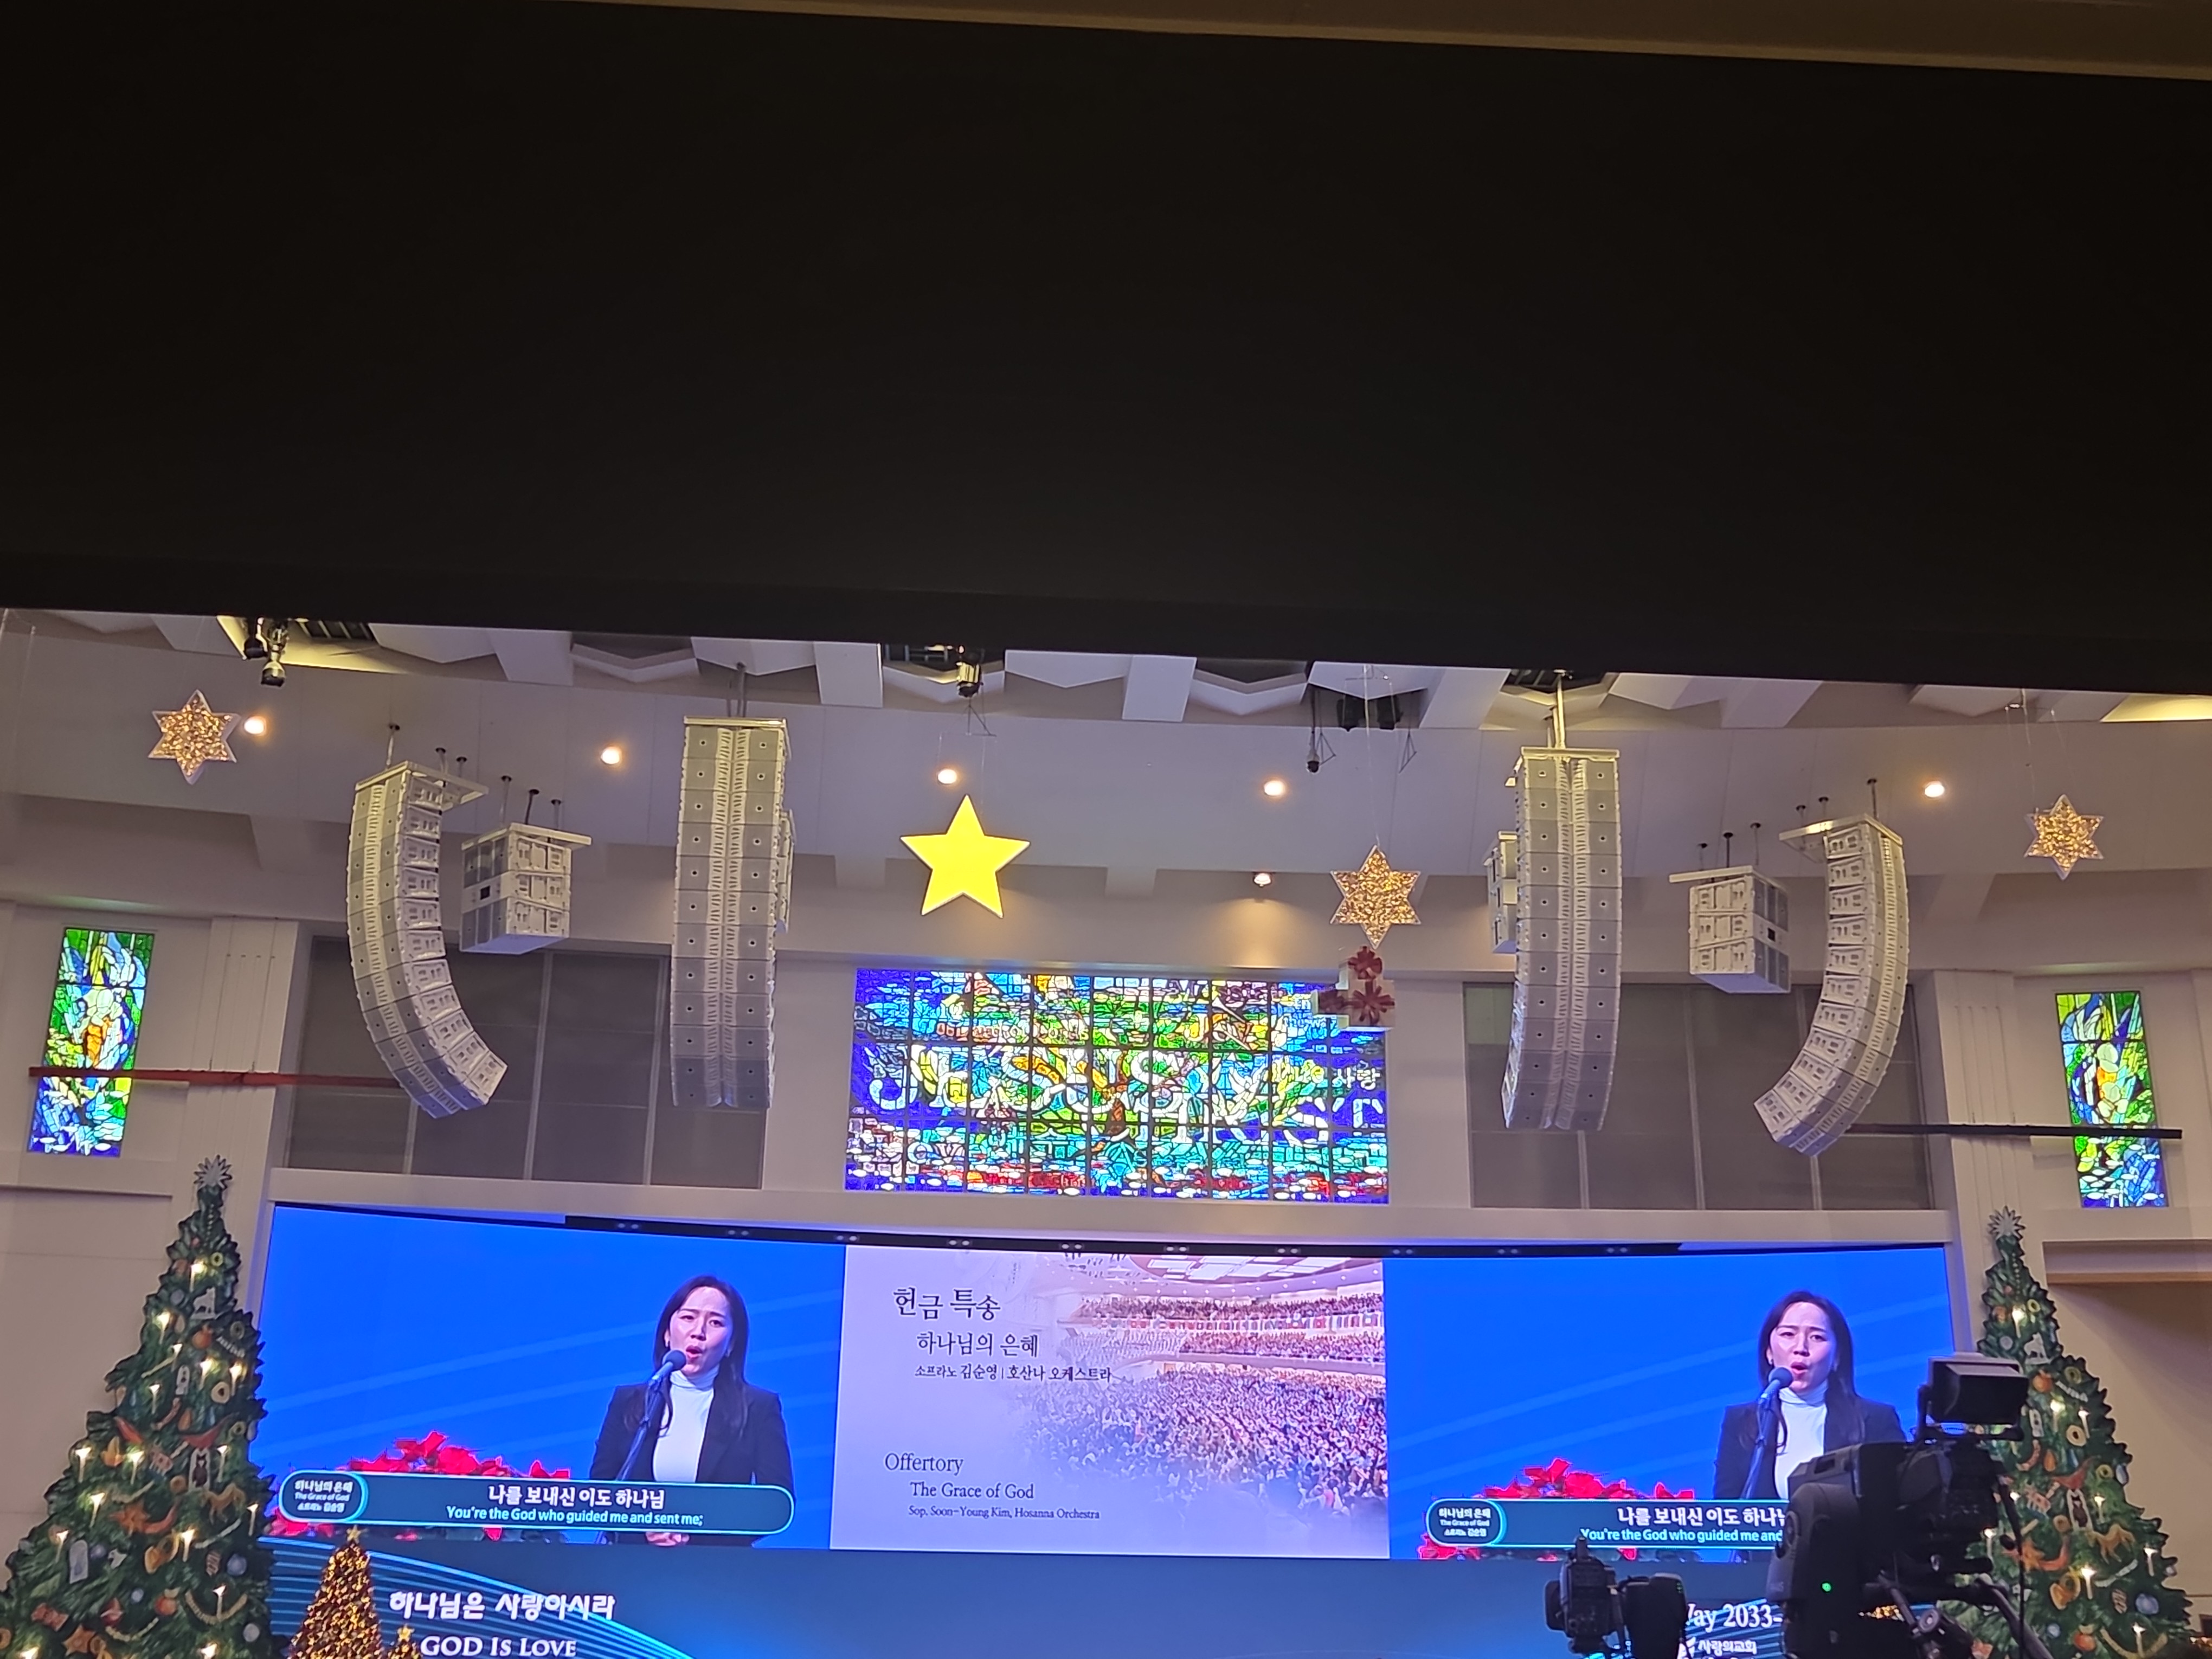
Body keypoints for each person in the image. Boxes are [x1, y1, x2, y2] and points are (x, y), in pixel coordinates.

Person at [590, 1274, 792, 1546]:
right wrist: (644, 1530)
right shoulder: (629, 1402)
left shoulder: (758, 1408)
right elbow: (601, 1493)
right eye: (688, 1318)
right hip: (634, 1561)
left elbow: (775, 1505)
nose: (699, 1331)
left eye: (715, 1322)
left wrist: (694, 1532)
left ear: (732, 1344)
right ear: (666, 1333)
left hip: (717, 1565)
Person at [1713, 1290, 1905, 1502]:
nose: (1801, 1348)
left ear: (1837, 1357)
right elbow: (1726, 1510)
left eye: (1817, 1337)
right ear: (1769, 1352)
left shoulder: (1875, 1420)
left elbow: (1896, 1505)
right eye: (1788, 1335)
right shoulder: (1740, 1422)